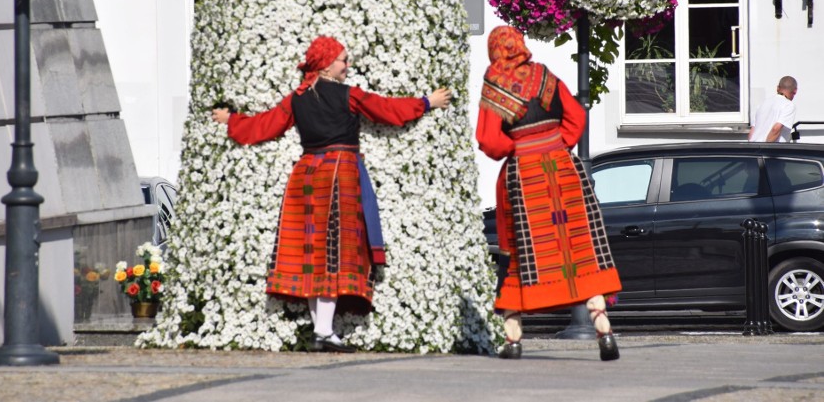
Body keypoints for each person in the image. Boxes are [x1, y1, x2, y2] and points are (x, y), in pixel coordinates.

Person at [211, 36, 451, 353]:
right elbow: (386, 109)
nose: (347, 65)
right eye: (343, 60)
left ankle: (321, 330)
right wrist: (426, 102)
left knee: (313, 254)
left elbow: (264, 124)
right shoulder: (347, 94)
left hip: (307, 175)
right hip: (340, 174)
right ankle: (323, 332)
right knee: (334, 255)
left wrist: (232, 121)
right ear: (327, 64)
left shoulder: (296, 99)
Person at [475, 26, 622, 361]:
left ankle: (513, 340)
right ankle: (605, 330)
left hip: (525, 175)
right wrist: (558, 144)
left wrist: (517, 147)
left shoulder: (494, 83)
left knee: (522, 251)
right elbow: (576, 116)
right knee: (578, 249)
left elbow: (487, 139)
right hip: (563, 170)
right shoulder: (545, 75)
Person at [748, 76, 798, 142]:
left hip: (753, 148)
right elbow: (776, 129)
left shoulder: (762, 103)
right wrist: (766, 148)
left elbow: (752, 131)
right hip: (770, 149)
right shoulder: (788, 105)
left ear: (777, 88)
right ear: (795, 91)